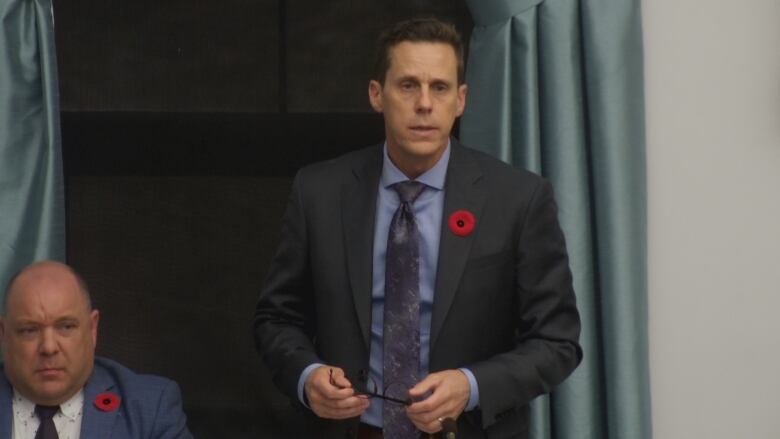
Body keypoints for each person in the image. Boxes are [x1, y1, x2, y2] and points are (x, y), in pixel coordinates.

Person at [254, 17, 582, 439]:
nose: (424, 103)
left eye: (440, 88)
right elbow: (276, 318)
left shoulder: (519, 199)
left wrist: (471, 385)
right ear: (377, 95)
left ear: (461, 100)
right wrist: (307, 376)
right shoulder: (319, 191)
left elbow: (557, 343)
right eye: (408, 85)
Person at [0, 261, 193, 439]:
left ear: (92, 329)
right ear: (4, 334)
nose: (49, 347)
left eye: (66, 327)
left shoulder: (150, 408)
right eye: (29, 330)